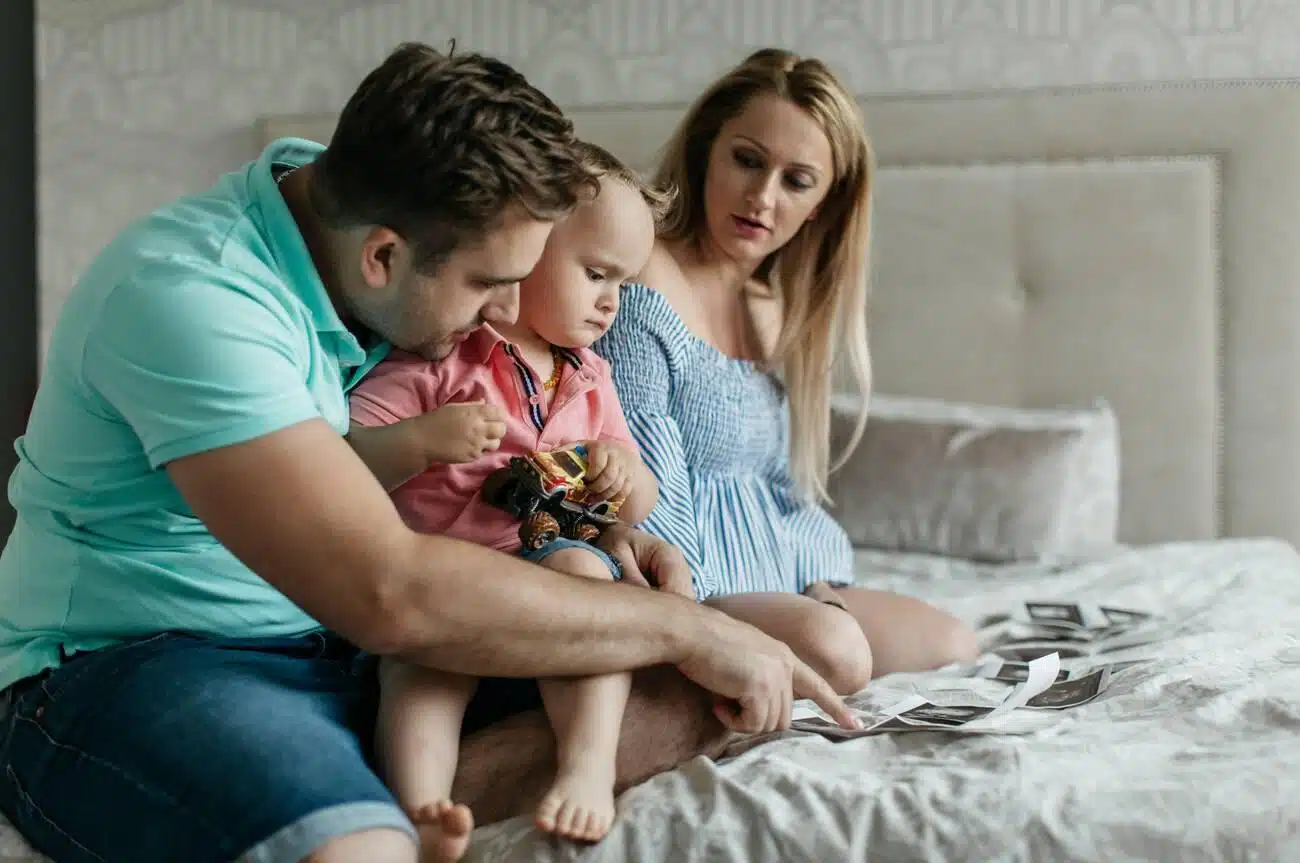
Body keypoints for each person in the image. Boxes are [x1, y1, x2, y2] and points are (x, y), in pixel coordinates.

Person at [0, 42, 856, 863]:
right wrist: (684, 623)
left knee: (710, 695)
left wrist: (604, 540)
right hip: (148, 656)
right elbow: (390, 588)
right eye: (489, 285)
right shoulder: (190, 298)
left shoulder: (364, 212)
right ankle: (375, 814)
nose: (504, 314)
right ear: (383, 257)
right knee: (353, 846)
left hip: (348, 638)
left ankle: (405, 793)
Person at [595, 48, 981, 694]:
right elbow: (649, 489)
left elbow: (781, 486)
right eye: (746, 160)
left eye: (796, 181)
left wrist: (820, 580)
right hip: (689, 585)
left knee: (954, 644)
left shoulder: (769, 306)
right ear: (704, 152)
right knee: (839, 651)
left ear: (822, 206)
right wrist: (700, 623)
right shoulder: (645, 279)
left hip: (775, 575)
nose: (762, 197)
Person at [346, 143, 674, 855]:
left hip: (549, 570)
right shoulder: (450, 352)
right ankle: (420, 807)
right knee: (420, 666)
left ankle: (586, 767)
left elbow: (640, 506)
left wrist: (625, 476)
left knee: (595, 589)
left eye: (623, 281)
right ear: (527, 252)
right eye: (595, 273)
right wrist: (423, 440)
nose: (612, 300)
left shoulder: (591, 379)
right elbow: (342, 458)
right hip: (448, 576)